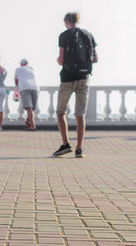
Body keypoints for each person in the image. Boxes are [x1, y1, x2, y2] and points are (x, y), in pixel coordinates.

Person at [53, 12, 97, 158]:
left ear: (66, 21)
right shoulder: (88, 35)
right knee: (80, 115)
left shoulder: (64, 35)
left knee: (61, 112)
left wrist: (61, 61)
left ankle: (66, 144)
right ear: (78, 20)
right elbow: (95, 58)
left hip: (67, 78)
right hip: (84, 78)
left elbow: (61, 59)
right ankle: (79, 149)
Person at [14, 59, 39, 131]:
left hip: (25, 87)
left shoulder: (18, 69)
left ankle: (33, 126)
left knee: (29, 108)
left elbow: (16, 81)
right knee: (32, 108)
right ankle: (29, 121)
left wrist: (18, 88)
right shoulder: (33, 68)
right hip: (35, 87)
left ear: (21, 64)